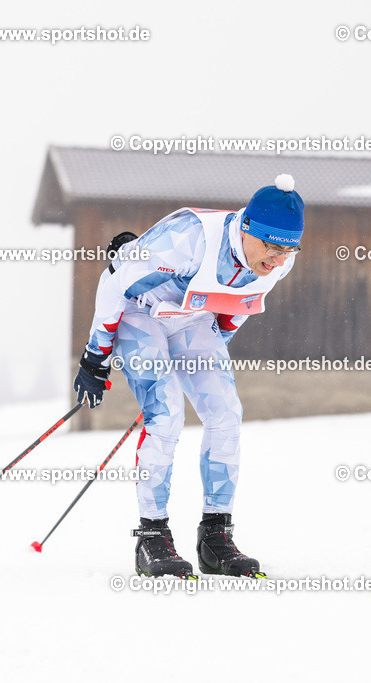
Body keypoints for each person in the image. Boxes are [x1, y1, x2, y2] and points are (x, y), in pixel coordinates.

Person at [73, 174, 304, 578]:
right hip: (140, 312)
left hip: (192, 319)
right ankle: (152, 538)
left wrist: (204, 357)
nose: (279, 259)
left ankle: (216, 538)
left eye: (289, 249)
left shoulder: (277, 263)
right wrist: (95, 358)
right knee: (166, 414)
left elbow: (237, 308)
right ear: (247, 228)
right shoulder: (189, 240)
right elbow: (115, 283)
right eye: (271, 247)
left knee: (226, 413)